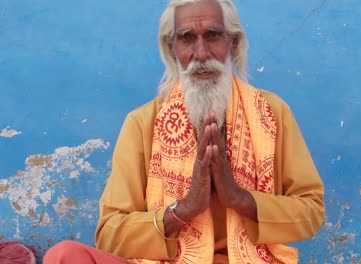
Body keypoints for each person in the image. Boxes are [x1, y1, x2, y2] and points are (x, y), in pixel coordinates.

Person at [43, 0, 325, 263]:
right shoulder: (143, 122)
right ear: (171, 48)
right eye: (187, 38)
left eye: (213, 35)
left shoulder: (272, 112)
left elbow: (312, 211)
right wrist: (184, 209)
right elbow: (110, 233)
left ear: (233, 42)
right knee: (64, 255)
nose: (201, 54)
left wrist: (241, 199)